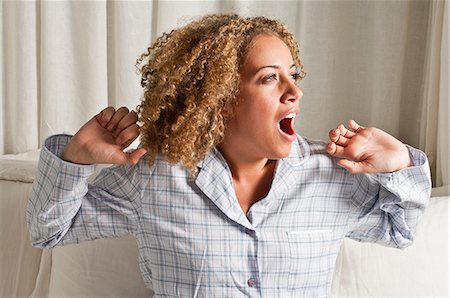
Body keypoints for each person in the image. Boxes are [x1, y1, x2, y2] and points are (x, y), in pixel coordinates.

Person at [27, 14, 431, 297]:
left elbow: (400, 231)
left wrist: (402, 164)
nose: (294, 91)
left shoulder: (331, 173)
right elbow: (50, 231)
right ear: (221, 101)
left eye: (294, 74)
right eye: (270, 77)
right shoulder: (154, 175)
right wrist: (75, 157)